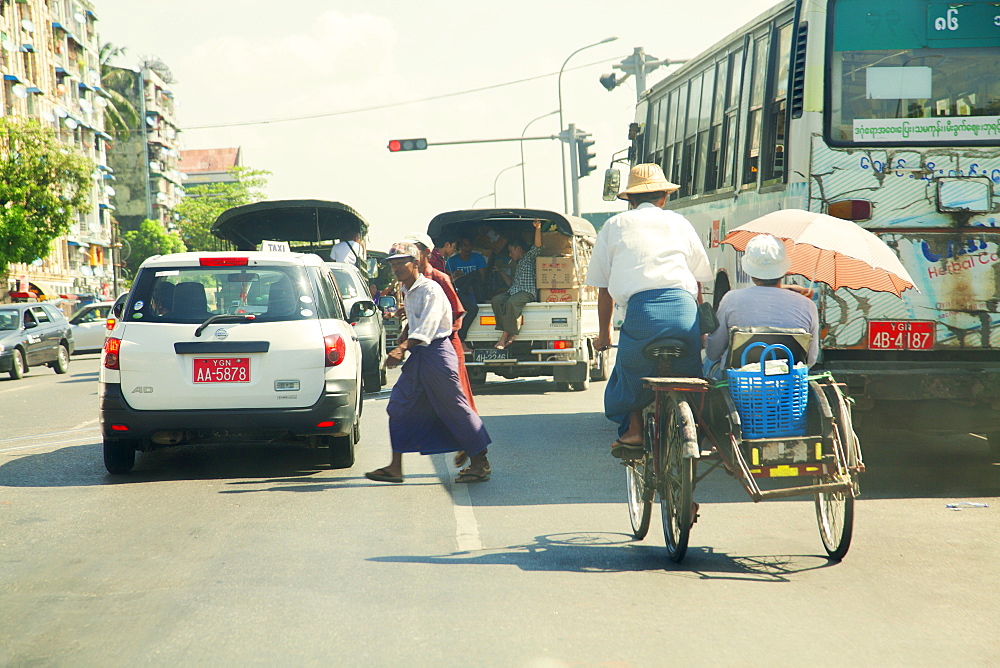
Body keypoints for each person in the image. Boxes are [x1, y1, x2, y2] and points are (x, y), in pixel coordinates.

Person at [586, 163, 712, 460]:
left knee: (627, 375)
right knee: (690, 374)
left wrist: (604, 335)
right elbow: (698, 281)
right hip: (684, 311)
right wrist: (700, 330)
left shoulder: (614, 225)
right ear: (664, 198)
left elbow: (603, 288)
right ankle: (697, 428)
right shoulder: (679, 222)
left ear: (629, 200)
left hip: (643, 315)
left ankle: (634, 430)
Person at [365, 240, 492, 484]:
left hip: (437, 352)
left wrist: (402, 347)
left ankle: (479, 462)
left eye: (401, 263)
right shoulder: (407, 290)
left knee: (453, 407)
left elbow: (429, 326)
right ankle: (395, 467)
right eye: (393, 265)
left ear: (414, 263)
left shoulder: (431, 289)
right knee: (398, 406)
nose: (396, 269)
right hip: (420, 353)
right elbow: (414, 323)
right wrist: (403, 340)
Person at [704, 233, 820, 373]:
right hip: (787, 386)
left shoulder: (731, 299)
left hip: (740, 384)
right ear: (783, 271)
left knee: (708, 362)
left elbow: (713, 352)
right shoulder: (807, 305)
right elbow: (811, 360)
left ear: (750, 272)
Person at [490, 220, 542, 349]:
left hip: (527, 292)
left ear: (518, 249)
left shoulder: (528, 257)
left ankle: (504, 337)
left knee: (511, 303)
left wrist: (538, 229)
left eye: (511, 251)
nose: (509, 254)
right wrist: (501, 272)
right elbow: (511, 284)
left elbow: (537, 246)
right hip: (514, 291)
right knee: (496, 300)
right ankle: (510, 331)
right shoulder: (516, 264)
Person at [445, 237, 488, 343]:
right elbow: (447, 282)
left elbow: (482, 278)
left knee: (475, 276)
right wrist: (456, 276)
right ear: (459, 247)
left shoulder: (477, 258)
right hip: (457, 289)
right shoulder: (452, 261)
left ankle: (479, 297)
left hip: (472, 290)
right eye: (464, 245)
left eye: (468, 245)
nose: (466, 248)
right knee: (473, 275)